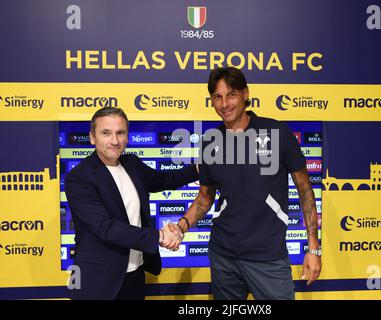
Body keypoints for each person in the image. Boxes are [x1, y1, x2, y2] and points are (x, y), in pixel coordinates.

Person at [168, 67, 322, 300]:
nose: (225, 103)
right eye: (218, 97)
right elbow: (204, 198)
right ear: (211, 101)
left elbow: (305, 190)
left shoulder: (277, 132)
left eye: (231, 94)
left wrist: (313, 247)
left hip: (268, 258)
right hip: (224, 257)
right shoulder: (211, 141)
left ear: (245, 94)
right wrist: (181, 227)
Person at [64, 107, 198, 300]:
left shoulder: (132, 164)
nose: (115, 141)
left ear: (127, 136)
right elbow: (106, 228)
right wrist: (160, 235)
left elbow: (165, 179)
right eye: (106, 133)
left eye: (121, 133)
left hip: (135, 276)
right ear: (92, 137)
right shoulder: (79, 178)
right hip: (97, 281)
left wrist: (200, 168)